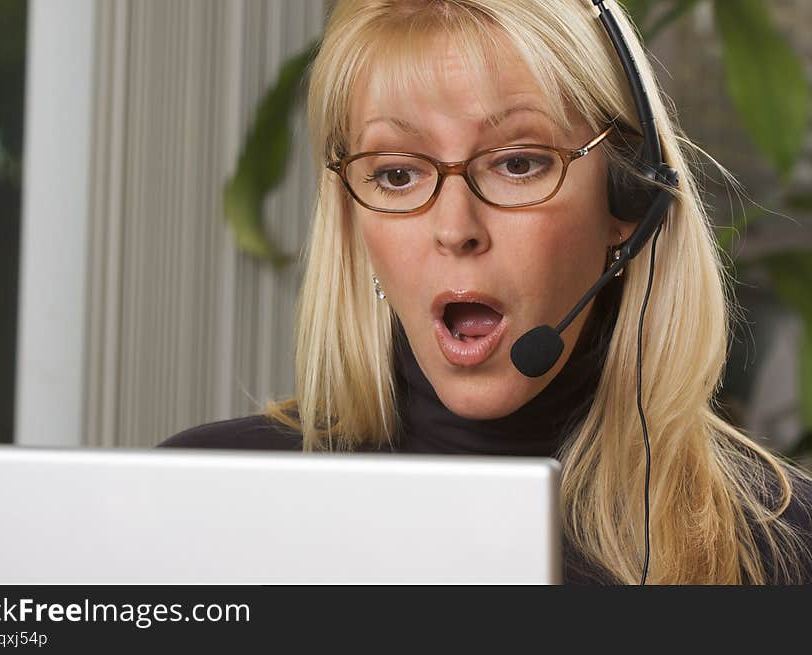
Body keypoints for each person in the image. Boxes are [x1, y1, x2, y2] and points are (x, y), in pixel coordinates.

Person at [159, 0, 812, 584]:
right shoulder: (190, 500)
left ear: (628, 198)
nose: (454, 228)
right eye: (395, 173)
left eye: (518, 162)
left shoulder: (785, 546)